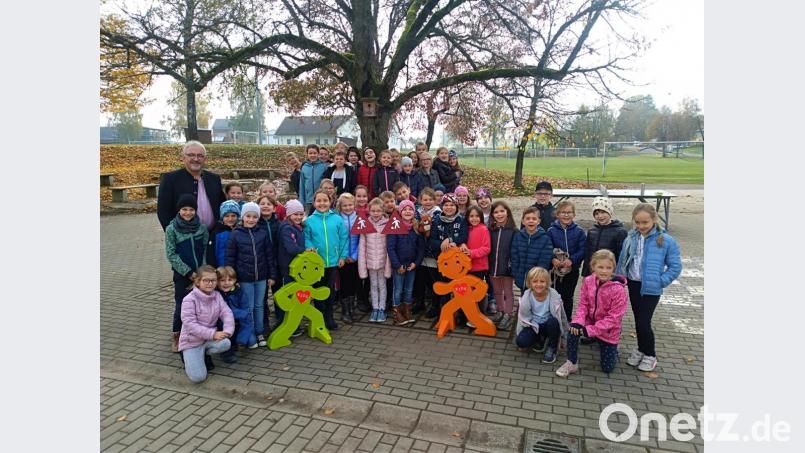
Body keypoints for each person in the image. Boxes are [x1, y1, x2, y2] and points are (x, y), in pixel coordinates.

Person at [617, 203, 682, 372]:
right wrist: (619, 279)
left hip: (651, 288)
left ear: (653, 220)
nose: (641, 226)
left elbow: (675, 267)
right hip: (633, 284)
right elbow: (623, 260)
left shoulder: (665, 240)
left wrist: (661, 281)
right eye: (637, 222)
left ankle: (651, 355)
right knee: (639, 321)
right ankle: (640, 349)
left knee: (644, 322)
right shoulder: (631, 237)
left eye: (645, 222)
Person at [556, 250, 628, 377]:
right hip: (590, 322)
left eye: (608, 268)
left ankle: (612, 347)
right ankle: (571, 362)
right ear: (593, 267)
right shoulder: (588, 281)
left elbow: (614, 319)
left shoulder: (619, 290)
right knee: (572, 329)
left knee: (607, 368)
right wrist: (578, 322)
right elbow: (583, 304)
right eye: (600, 267)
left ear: (613, 268)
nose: (604, 271)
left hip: (609, 330)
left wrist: (591, 330)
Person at [224, 202, 277, 348]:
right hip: (244, 278)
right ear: (243, 217)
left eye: (254, 217)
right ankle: (250, 333)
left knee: (259, 305)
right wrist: (233, 279)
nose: (251, 220)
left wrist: (272, 275)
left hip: (261, 277)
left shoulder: (262, 233)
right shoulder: (235, 234)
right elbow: (230, 258)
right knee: (249, 307)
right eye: (248, 216)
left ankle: (259, 332)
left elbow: (269, 256)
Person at [165, 193, 209, 352]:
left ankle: (197, 334)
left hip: (200, 275)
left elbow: (204, 249)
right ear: (179, 210)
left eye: (191, 209)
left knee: (201, 305)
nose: (188, 212)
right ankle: (177, 335)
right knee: (182, 305)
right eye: (184, 209)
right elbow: (171, 254)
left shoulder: (201, 227)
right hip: (183, 275)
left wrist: (203, 271)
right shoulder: (172, 229)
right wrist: (189, 273)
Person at [178, 265, 234, 383]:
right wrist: (213, 334)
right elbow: (190, 324)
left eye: (213, 280)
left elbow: (226, 313)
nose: (210, 283)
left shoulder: (216, 296)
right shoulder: (189, 299)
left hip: (207, 339)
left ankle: (203, 353)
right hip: (192, 342)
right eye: (206, 280)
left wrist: (228, 330)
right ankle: (187, 355)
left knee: (225, 343)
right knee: (198, 378)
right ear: (198, 282)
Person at [304, 190, 349, 330]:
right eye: (319, 201)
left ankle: (329, 316)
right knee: (317, 290)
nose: (322, 203)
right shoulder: (309, 221)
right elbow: (306, 238)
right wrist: (310, 247)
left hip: (333, 262)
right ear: (314, 202)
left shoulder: (337, 219)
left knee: (329, 290)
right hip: (317, 263)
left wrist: (342, 256)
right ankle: (320, 317)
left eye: (325, 200)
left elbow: (344, 238)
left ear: (330, 202)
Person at [157, 141, 224, 231]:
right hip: (185, 238)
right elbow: (163, 212)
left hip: (213, 236)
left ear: (205, 159)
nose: (196, 159)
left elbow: (222, 205)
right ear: (183, 158)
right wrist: (174, 235)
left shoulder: (214, 179)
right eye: (191, 155)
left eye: (200, 155)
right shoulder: (170, 179)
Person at [514, 266, 568, 364]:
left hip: (549, 325)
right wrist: (519, 335)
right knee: (521, 342)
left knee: (553, 321)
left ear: (547, 283)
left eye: (542, 281)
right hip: (534, 325)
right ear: (530, 283)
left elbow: (563, 317)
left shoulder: (554, 295)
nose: (538, 284)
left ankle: (552, 348)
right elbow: (522, 318)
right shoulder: (527, 296)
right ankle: (540, 339)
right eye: (535, 281)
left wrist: (564, 338)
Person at [427, 194, 468, 318]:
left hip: (456, 263)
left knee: (456, 286)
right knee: (439, 284)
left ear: (456, 207)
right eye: (446, 205)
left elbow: (463, 236)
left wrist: (449, 240)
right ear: (442, 206)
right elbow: (432, 241)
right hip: (440, 260)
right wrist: (441, 243)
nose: (449, 208)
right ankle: (436, 307)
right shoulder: (437, 220)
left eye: (452, 205)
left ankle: (458, 311)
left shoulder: (461, 220)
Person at [547, 201, 587, 321]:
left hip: (572, 270)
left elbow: (583, 249)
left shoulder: (579, 231)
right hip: (555, 271)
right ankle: (554, 319)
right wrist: (552, 259)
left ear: (574, 214)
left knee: (568, 296)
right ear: (557, 214)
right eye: (563, 212)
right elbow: (547, 248)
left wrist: (572, 260)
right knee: (555, 295)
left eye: (569, 212)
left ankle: (567, 320)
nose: (566, 215)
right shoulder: (551, 231)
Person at [386, 200, 425, 325]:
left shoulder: (416, 227)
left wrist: (416, 263)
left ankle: (407, 310)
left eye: (410, 209)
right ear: (400, 212)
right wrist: (397, 265)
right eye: (405, 209)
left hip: (411, 265)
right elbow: (390, 248)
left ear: (414, 212)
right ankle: (397, 313)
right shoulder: (395, 226)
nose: (408, 212)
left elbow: (421, 248)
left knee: (409, 289)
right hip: (399, 266)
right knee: (398, 289)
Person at [276, 199, 307, 338]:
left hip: (294, 267)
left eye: (301, 214)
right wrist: (305, 251)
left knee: (295, 295)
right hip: (287, 267)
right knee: (289, 294)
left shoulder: (298, 227)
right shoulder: (287, 228)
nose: (298, 217)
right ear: (288, 215)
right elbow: (291, 248)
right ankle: (287, 323)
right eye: (295, 214)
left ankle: (294, 323)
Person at [358, 198, 392, 322]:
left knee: (382, 286)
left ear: (383, 211)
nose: (376, 213)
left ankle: (382, 309)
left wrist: (389, 266)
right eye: (373, 211)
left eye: (378, 210)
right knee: (373, 285)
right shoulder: (365, 224)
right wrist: (362, 268)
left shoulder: (388, 224)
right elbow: (362, 247)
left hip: (383, 262)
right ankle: (375, 308)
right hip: (371, 262)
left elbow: (390, 247)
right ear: (369, 211)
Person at [488, 201, 517, 330]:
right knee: (497, 291)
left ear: (507, 212)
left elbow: (515, 251)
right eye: (496, 212)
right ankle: (500, 311)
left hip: (507, 267)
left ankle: (508, 314)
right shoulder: (490, 230)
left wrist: (512, 265)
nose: (499, 214)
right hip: (493, 266)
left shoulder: (513, 231)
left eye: (502, 211)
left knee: (508, 292)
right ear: (492, 215)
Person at [511, 207, 553, 295]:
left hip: (537, 281)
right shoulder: (518, 237)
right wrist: (515, 272)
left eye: (534, 218)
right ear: (523, 221)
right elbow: (514, 257)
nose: (531, 221)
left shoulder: (545, 239)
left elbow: (544, 261)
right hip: (521, 277)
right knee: (524, 298)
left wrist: (538, 277)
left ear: (539, 221)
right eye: (528, 218)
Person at [460, 206, 491, 328]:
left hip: (479, 267)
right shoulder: (465, 229)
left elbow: (486, 248)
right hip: (465, 267)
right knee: (466, 292)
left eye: (477, 216)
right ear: (467, 217)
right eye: (471, 216)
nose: (474, 219)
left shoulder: (483, 229)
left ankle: (479, 316)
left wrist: (471, 253)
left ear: (481, 217)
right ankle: (467, 315)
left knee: (477, 293)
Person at [582, 197, 627, 277]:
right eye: (596, 213)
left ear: (610, 212)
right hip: (593, 272)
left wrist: (618, 275)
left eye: (603, 212)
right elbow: (588, 254)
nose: (600, 216)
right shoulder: (592, 231)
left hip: (609, 273)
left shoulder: (620, 232)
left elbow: (622, 256)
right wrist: (585, 274)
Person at [216, 266, 251, 364]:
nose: (226, 283)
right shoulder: (216, 294)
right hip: (221, 323)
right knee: (225, 332)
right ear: (217, 282)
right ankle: (226, 353)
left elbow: (245, 309)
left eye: (230, 280)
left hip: (238, 320)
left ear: (235, 280)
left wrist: (242, 314)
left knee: (246, 338)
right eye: (222, 280)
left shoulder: (239, 293)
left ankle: (236, 344)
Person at [336, 193, 360, 324]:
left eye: (350, 205)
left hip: (355, 257)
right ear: (340, 206)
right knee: (344, 283)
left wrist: (355, 256)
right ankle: (345, 311)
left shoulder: (359, 218)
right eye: (345, 205)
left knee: (353, 282)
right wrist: (343, 256)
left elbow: (362, 239)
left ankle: (351, 308)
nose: (348, 207)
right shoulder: (337, 219)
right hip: (342, 258)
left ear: (354, 205)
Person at [206, 200, 240, 268]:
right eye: (227, 216)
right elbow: (210, 254)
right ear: (222, 217)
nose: (230, 219)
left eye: (233, 216)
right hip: (221, 270)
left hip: (238, 269)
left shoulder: (240, 231)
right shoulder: (216, 233)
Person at [299, 144, 328, 212]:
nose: (312, 155)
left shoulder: (323, 166)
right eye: (310, 153)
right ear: (307, 154)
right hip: (308, 200)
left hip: (321, 200)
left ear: (318, 154)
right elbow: (302, 185)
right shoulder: (304, 167)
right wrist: (302, 201)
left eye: (315, 153)